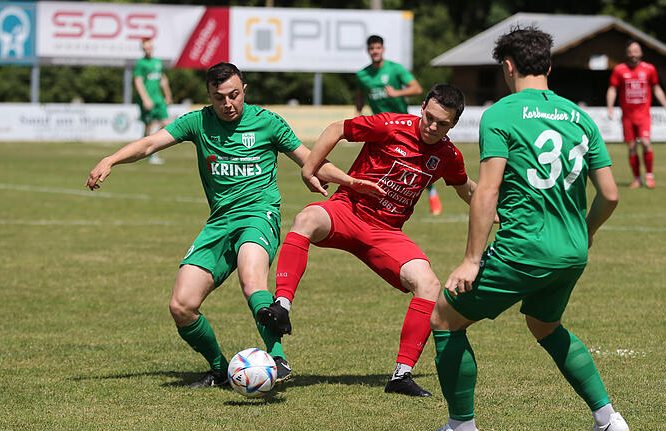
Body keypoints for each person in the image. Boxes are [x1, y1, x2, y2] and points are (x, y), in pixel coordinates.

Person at [85, 62, 335, 388]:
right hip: (219, 223)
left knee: (251, 278)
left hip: (258, 216)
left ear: (244, 89)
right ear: (209, 96)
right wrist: (110, 159)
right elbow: (149, 144)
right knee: (181, 305)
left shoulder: (268, 123)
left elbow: (311, 159)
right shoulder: (198, 122)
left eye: (234, 95)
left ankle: (276, 357)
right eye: (220, 98)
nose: (228, 104)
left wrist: (350, 183)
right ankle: (220, 369)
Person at [431, 26, 626, 431]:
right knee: (545, 325)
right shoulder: (580, 117)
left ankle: (460, 427)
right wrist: (586, 232)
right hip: (572, 252)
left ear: (507, 66)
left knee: (444, 319)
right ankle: (609, 420)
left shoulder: (501, 114)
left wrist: (470, 261)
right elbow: (609, 194)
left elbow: (487, 192)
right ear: (549, 65)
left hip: (523, 250)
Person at [258, 84, 477, 397]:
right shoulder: (390, 124)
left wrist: (498, 211)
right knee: (306, 218)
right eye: (429, 116)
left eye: (442, 123)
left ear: (454, 124)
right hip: (346, 210)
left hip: (386, 233)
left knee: (428, 284)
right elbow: (337, 129)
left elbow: (466, 188)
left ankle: (401, 376)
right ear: (423, 106)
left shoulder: (447, 155)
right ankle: (281, 307)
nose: (432, 126)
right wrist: (309, 169)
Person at [355, 34, 444, 216]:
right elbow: (360, 94)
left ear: (383, 49)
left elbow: (417, 89)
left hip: (402, 124)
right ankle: (373, 200)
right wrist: (358, 111)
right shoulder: (362, 75)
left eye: (378, 48)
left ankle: (432, 194)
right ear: (368, 50)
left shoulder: (395, 70)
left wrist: (396, 93)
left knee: (414, 162)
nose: (375, 51)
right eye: (372, 49)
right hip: (380, 126)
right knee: (375, 161)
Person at [606, 39, 666, 189]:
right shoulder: (619, 70)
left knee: (645, 143)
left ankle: (649, 176)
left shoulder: (649, 69)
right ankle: (637, 179)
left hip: (644, 115)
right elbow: (613, 89)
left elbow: (657, 89)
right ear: (627, 53)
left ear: (641, 53)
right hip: (627, 116)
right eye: (631, 51)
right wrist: (610, 107)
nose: (633, 54)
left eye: (636, 51)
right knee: (631, 147)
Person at [134, 38, 173, 165]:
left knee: (165, 123)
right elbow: (138, 81)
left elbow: (162, 79)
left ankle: (151, 150)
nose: (148, 50)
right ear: (143, 49)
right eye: (145, 48)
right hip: (148, 100)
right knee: (149, 126)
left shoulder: (157, 62)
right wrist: (145, 99)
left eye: (149, 47)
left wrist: (167, 94)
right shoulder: (141, 64)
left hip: (159, 99)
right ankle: (146, 154)